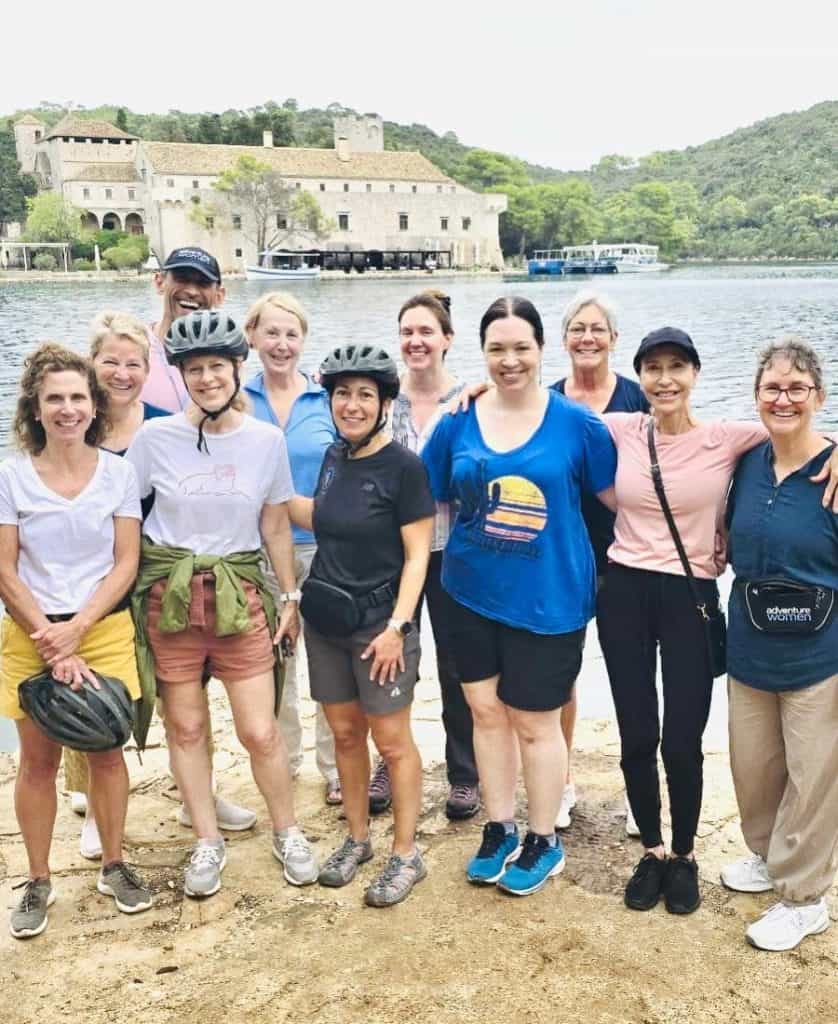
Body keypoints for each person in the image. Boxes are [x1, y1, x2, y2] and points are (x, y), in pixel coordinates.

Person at [597, 327, 838, 917]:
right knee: (667, 739)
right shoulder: (628, 428)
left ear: (697, 374)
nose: (665, 379)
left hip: (707, 603)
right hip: (650, 601)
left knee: (693, 738)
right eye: (652, 368)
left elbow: (807, 438)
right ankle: (658, 850)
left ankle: (697, 860)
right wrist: (470, 393)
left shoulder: (735, 440)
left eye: (677, 366)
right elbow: (545, 413)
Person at [422, 297, 617, 897]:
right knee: (485, 714)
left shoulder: (578, 425)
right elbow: (427, 496)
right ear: (481, 353)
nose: (509, 360)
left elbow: (622, 502)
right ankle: (499, 825)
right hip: (468, 592)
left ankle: (543, 838)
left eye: (521, 347)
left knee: (536, 722)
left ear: (541, 349)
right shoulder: (458, 421)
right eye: (497, 349)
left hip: (550, 597)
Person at [126, 310, 315, 898]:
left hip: (239, 594)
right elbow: (127, 520)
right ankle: (206, 839)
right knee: (184, 726)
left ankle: (287, 829)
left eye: (217, 366)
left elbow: (276, 525)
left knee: (261, 730)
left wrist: (290, 596)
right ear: (181, 375)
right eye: (195, 369)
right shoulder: (154, 439)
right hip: (172, 597)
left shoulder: (264, 441)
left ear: (238, 368)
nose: (207, 378)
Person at [0, 343, 152, 939]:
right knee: (37, 761)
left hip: (102, 627)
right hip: (30, 630)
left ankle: (114, 864)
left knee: (107, 750)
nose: (67, 409)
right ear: (35, 408)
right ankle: (38, 878)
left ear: (95, 407)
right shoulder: (10, 475)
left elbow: (125, 562)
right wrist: (49, 638)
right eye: (54, 398)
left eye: (77, 398)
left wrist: (78, 632)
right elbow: (6, 570)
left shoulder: (118, 472)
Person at [288, 344, 435, 907]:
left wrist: (398, 626)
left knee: (392, 742)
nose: (351, 404)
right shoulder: (332, 458)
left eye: (364, 395)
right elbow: (323, 519)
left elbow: (417, 556)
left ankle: (406, 852)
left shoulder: (404, 468)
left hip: (380, 625)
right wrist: (266, 501)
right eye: (341, 393)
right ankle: (357, 837)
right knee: (345, 735)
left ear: (385, 403)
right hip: (327, 618)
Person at [721, 337, 837, 951]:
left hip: (820, 655)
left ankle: (804, 897)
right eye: (773, 388)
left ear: (818, 397)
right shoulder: (745, 462)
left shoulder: (834, 470)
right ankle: (768, 857)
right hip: (749, 649)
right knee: (755, 768)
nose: (784, 399)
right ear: (757, 396)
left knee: (815, 777)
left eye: (797, 388)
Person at [141, 247, 256, 833]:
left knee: (226, 701)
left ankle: (200, 800)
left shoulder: (229, 371)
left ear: (219, 291)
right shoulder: (136, 348)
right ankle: (92, 804)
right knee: (171, 702)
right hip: (159, 531)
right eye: (180, 281)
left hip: (219, 531)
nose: (190, 290)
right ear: (161, 282)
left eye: (201, 283)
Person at [63, 311, 169, 861]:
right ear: (91, 364)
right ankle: (86, 798)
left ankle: (195, 784)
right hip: (86, 576)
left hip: (152, 572)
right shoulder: (75, 421)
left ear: (148, 370)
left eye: (134, 363)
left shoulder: (164, 424)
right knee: (90, 685)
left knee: (171, 683)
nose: (122, 373)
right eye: (110, 361)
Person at [551, 290, 647, 833]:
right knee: (559, 677)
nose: (587, 338)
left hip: (625, 556)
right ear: (564, 340)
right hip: (559, 558)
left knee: (630, 675)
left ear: (613, 339)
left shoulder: (639, 398)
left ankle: (639, 790)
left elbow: (692, 448)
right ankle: (559, 782)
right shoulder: (546, 402)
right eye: (577, 329)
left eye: (597, 329)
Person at [381, 289, 479, 821]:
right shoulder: (383, 401)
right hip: (394, 555)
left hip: (454, 550)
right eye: (407, 332)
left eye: (425, 332)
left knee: (458, 666)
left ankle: (464, 772)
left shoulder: (469, 400)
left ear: (446, 339)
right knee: (393, 658)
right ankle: (388, 758)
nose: (416, 341)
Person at [243, 292, 340, 806]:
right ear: (253, 336)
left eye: (291, 334)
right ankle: (287, 760)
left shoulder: (325, 399)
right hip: (258, 552)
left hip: (320, 549)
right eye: (271, 333)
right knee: (274, 663)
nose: (281, 344)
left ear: (303, 340)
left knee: (327, 660)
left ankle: (334, 767)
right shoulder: (236, 397)